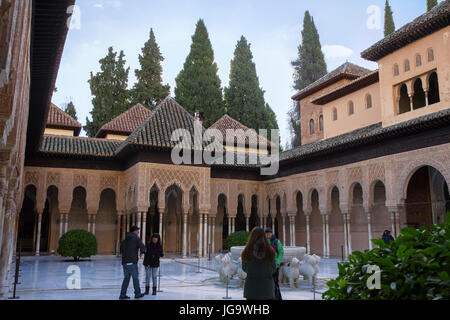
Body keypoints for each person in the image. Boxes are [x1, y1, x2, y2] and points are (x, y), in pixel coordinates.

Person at [241, 227, 276, 300]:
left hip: (251, 288)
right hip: (267, 288)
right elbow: (273, 268)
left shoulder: (247, 251)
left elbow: (244, 267)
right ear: (264, 236)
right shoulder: (270, 251)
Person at [119, 226, 146, 300]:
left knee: (126, 278)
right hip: (132, 262)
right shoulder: (136, 238)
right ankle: (137, 294)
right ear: (134, 231)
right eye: (137, 231)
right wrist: (143, 251)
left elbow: (121, 249)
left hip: (125, 262)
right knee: (135, 278)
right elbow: (142, 247)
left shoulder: (125, 239)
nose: (138, 232)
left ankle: (122, 294)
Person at [265, 228, 284, 300]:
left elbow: (281, 253)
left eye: (269, 233)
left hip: (274, 265)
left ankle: (277, 298)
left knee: (275, 283)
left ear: (271, 233)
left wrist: (278, 263)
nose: (268, 234)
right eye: (266, 233)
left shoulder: (276, 242)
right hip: (265, 266)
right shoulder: (263, 242)